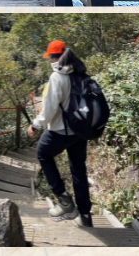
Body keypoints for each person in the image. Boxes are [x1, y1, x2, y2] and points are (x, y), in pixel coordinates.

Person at [27, 40, 93, 228]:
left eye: (50, 57)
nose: (50, 61)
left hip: (60, 131)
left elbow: (48, 111)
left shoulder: (57, 77)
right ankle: (85, 216)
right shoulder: (81, 74)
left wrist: (35, 126)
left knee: (42, 153)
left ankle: (64, 200)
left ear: (55, 58)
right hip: (80, 131)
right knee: (78, 170)